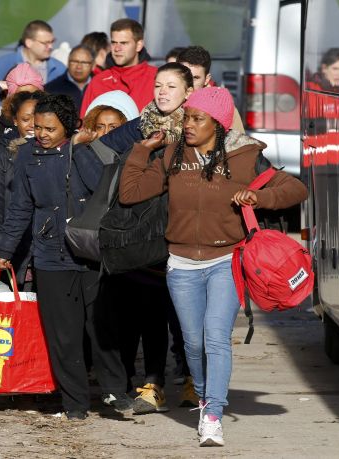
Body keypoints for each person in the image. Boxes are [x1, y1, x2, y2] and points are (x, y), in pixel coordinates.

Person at [119, 87, 308, 446]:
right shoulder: (173, 154)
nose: (187, 124)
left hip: (227, 261)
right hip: (182, 263)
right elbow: (130, 193)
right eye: (186, 117)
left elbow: (295, 188)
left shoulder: (245, 155)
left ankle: (213, 414)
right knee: (192, 343)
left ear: (217, 124)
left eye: (196, 118)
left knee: (216, 338)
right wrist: (140, 152)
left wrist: (259, 196)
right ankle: (205, 397)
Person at [0, 94, 132, 419]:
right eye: (38, 127)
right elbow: (19, 209)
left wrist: (75, 151)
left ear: (68, 128)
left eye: (50, 129)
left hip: (89, 254)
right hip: (50, 257)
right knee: (63, 336)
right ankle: (75, 405)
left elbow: (104, 191)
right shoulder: (27, 157)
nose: (41, 134)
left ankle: (115, 390)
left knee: (102, 328)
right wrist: (3, 250)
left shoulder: (84, 154)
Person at [0, 90, 46, 287]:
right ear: (15, 121)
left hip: (46, 257)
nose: (32, 124)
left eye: (38, 117)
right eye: (25, 119)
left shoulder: (57, 152)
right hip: (9, 255)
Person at [80, 18, 158, 118]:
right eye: (114, 42)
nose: (117, 49)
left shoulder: (157, 78)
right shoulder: (99, 81)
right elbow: (85, 126)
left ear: (138, 45)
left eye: (123, 43)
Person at [177, 46, 244, 133]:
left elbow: (239, 143)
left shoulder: (223, 108)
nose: (189, 83)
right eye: (184, 77)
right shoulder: (163, 103)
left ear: (207, 79)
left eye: (195, 78)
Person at [0, 19, 66, 84]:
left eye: (52, 41)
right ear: (29, 43)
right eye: (45, 43)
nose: (51, 46)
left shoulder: (59, 69)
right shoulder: (2, 65)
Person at [44, 45, 94, 113]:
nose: (79, 66)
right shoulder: (51, 89)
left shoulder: (101, 87)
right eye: (74, 61)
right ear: (68, 62)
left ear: (93, 65)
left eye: (84, 62)